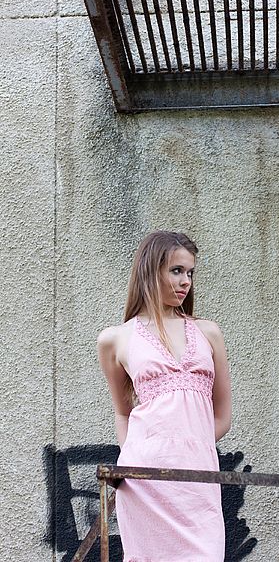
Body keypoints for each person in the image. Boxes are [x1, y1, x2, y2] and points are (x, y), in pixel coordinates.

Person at [97, 230, 232, 561]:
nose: (185, 281)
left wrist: (186, 444)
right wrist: (144, 453)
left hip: (197, 478)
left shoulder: (208, 332)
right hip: (144, 478)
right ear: (150, 270)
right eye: (176, 271)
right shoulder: (115, 339)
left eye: (190, 272)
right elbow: (123, 412)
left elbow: (222, 418)